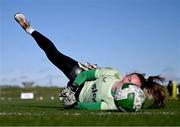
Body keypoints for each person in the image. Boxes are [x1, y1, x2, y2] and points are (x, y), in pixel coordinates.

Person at [14, 13, 167, 110]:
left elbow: (86, 107)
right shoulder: (111, 73)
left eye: (131, 83)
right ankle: (29, 29)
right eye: (127, 78)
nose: (125, 82)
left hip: (78, 96)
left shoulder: (114, 104)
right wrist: (73, 87)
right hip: (80, 80)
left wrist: (73, 103)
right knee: (55, 55)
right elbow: (87, 76)